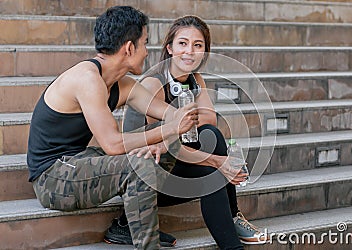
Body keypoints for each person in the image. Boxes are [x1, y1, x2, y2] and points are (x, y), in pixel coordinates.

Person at [26, 6, 200, 249]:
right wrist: (169, 130)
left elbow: (170, 115)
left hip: (81, 162)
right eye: (145, 43)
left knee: (164, 143)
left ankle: (127, 227)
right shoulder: (87, 79)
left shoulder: (123, 84)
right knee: (139, 163)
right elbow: (112, 144)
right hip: (53, 178)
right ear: (129, 48)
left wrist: (176, 124)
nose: (147, 52)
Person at [106, 15, 267, 249]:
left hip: (170, 159)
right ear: (170, 48)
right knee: (211, 173)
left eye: (197, 45)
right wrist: (215, 161)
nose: (189, 51)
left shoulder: (194, 79)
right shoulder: (154, 83)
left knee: (213, 135)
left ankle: (233, 218)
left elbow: (209, 119)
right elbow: (164, 146)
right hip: (142, 178)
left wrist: (187, 130)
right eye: (183, 43)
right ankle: (127, 221)